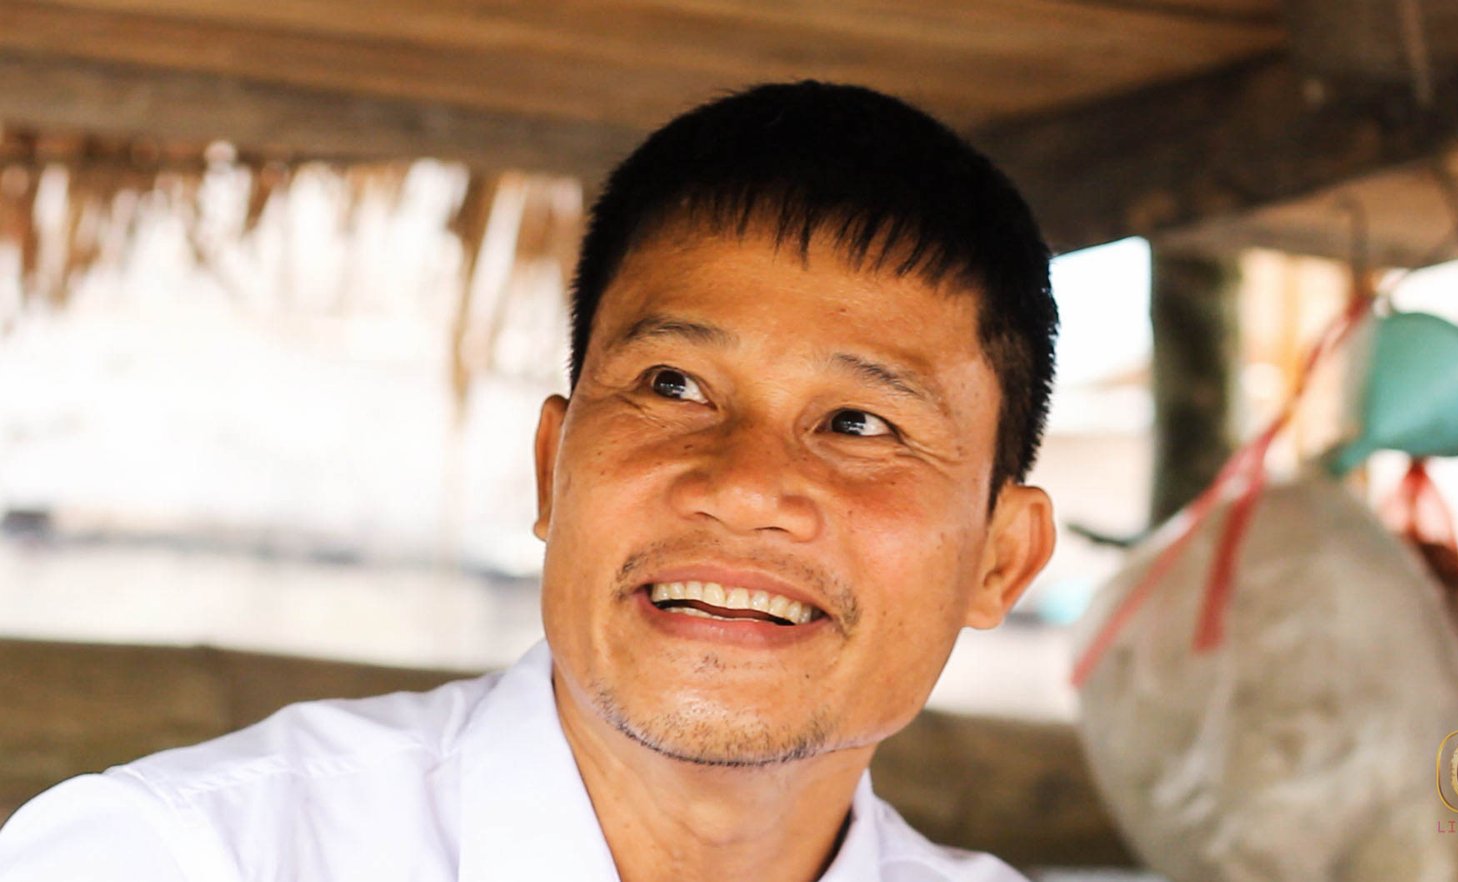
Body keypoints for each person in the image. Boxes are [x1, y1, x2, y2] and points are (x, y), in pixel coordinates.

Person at [0, 81, 1060, 881]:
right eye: (674, 385)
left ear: (999, 559)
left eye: (861, 424)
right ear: (553, 470)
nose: (743, 488)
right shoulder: (176, 857)